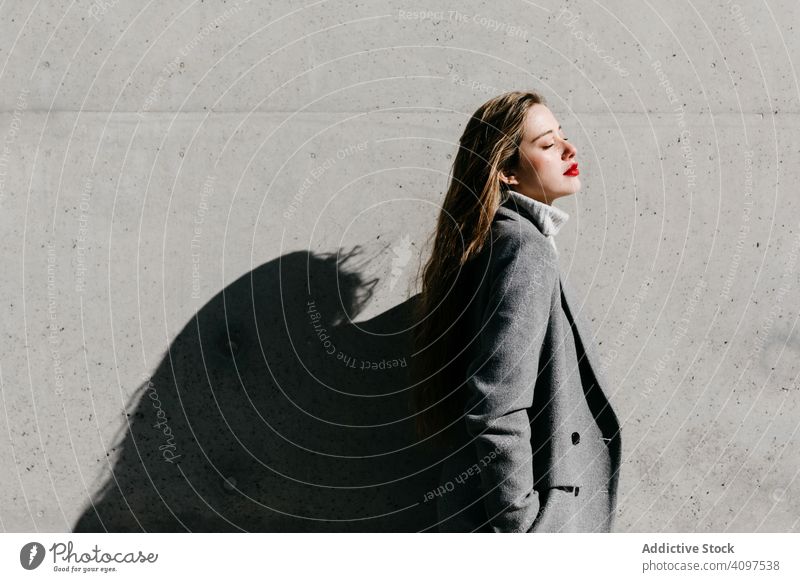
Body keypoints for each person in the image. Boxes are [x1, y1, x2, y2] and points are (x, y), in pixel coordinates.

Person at [411, 90, 622, 532]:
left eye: (562, 136)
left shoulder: (489, 243)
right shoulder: (525, 250)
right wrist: (522, 527)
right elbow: (495, 406)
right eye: (547, 145)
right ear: (506, 171)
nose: (570, 149)